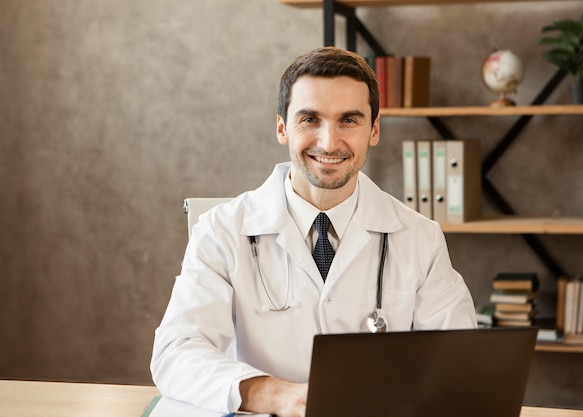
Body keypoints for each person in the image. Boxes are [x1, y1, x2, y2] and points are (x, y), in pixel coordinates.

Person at [150, 46, 477, 417]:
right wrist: (276, 395)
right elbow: (176, 352)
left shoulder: (420, 237)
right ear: (281, 127)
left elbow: (457, 363)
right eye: (310, 119)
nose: (328, 142)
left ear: (374, 130)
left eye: (348, 120)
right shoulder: (221, 231)